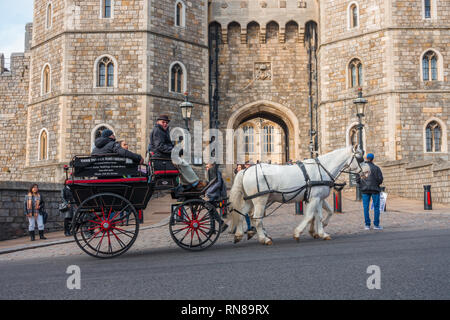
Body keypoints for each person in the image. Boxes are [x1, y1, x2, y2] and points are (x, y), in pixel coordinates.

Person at [148, 114, 206, 191]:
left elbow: (167, 145)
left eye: (166, 122)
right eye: (163, 122)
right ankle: (195, 183)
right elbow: (160, 146)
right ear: (158, 122)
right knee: (183, 164)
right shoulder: (158, 130)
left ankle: (187, 184)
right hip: (160, 156)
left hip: (162, 155)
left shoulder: (162, 130)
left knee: (181, 166)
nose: (165, 124)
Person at [356, 153, 384, 230]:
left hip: (365, 190)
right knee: (376, 207)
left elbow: (357, 179)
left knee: (365, 207)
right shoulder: (376, 168)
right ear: (372, 159)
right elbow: (380, 180)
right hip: (375, 189)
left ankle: (367, 225)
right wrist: (376, 183)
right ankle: (376, 225)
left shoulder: (361, 168)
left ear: (366, 158)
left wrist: (362, 185)